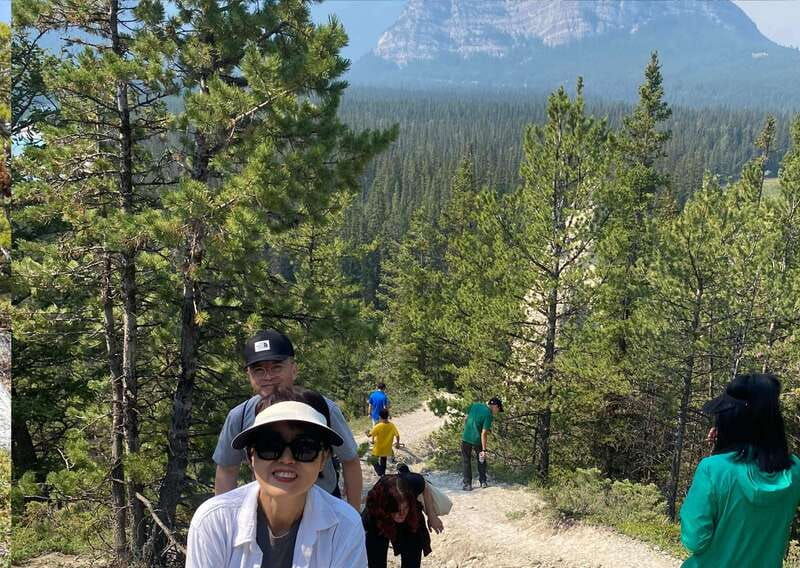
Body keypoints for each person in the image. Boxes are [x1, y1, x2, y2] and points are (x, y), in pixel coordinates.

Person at [187, 391, 367, 567]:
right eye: (270, 445)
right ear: (251, 456)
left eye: (304, 448)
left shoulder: (344, 526)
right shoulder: (215, 521)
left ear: (323, 459)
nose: (287, 459)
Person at [214, 329, 363, 509]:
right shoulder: (239, 416)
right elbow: (227, 470)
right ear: (249, 375)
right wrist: (223, 518)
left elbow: (350, 460)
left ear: (294, 369)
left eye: (276, 367)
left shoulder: (323, 408)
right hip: (269, 509)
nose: (268, 377)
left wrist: (353, 516)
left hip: (323, 506)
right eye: (258, 370)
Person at [680, 373, 800, 568]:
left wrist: (720, 452)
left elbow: (695, 540)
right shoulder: (795, 470)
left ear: (730, 420)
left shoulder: (712, 469)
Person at [362, 467, 444, 568]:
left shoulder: (413, 483)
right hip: (381, 521)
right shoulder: (374, 509)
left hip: (411, 518)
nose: (401, 515)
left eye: (404, 508)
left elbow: (425, 485)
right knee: (376, 562)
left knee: (412, 559)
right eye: (397, 510)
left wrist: (432, 516)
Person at [461, 397, 502, 490]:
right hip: (477, 440)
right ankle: (483, 481)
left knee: (466, 461)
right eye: (498, 409)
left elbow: (466, 418)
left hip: (466, 437)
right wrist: (484, 449)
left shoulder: (475, 405)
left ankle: (467, 484)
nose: (498, 411)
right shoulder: (489, 414)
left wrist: (467, 430)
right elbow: (484, 433)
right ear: (494, 406)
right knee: (481, 459)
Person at [368, 408, 400, 476]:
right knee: (383, 460)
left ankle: (380, 473)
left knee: (372, 459)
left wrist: (366, 432)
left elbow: (369, 435)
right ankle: (383, 474)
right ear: (388, 416)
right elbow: (397, 435)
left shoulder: (378, 426)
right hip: (387, 448)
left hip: (378, 448)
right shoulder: (392, 425)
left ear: (379, 417)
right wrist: (397, 444)